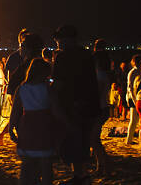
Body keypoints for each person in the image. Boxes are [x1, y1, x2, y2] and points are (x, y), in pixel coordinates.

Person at [51, 25, 100, 185]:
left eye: (58, 38)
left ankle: (80, 177)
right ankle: (81, 176)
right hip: (90, 105)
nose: (56, 41)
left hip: (72, 106)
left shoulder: (63, 57)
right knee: (82, 141)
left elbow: (58, 84)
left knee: (71, 142)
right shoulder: (87, 55)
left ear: (65, 39)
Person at [9, 58, 64, 185]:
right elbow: (56, 110)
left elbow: (15, 110)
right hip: (44, 125)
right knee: (45, 164)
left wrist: (11, 127)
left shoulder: (22, 88)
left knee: (27, 164)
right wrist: (66, 123)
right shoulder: (47, 89)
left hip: (27, 125)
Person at [91, 40, 113, 174]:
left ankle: (102, 164)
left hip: (99, 108)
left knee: (93, 138)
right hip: (104, 107)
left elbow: (97, 94)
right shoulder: (105, 74)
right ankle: (102, 163)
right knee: (95, 138)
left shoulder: (99, 75)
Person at [126, 54, 141, 145]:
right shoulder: (133, 72)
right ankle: (129, 140)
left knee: (137, 120)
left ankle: (130, 139)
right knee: (133, 120)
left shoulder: (140, 71)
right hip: (133, 97)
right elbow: (130, 88)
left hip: (138, 97)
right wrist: (134, 100)